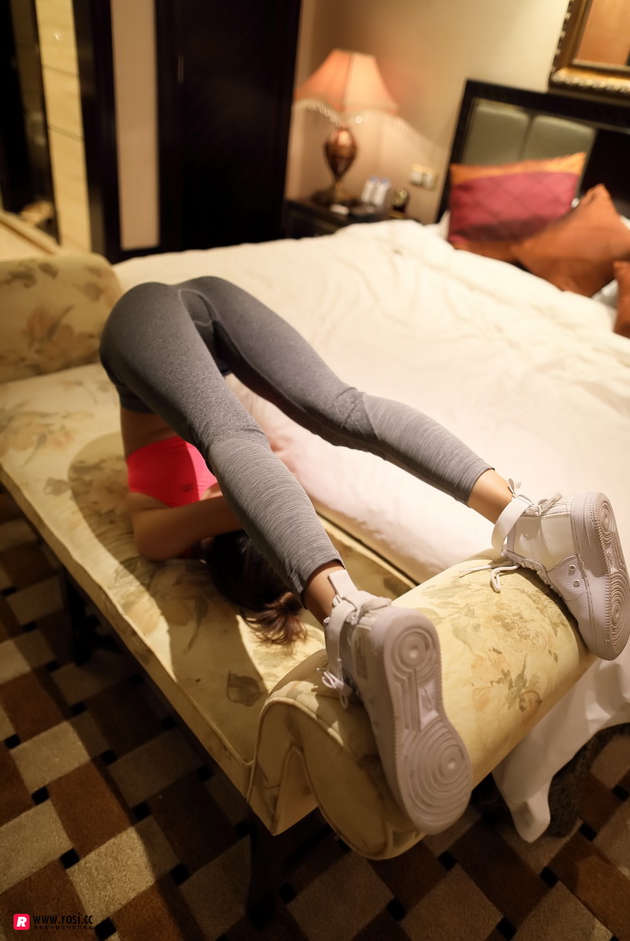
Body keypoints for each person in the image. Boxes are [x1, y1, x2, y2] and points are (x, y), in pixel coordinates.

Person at [100, 276, 630, 836]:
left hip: (139, 315)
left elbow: (152, 535)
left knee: (233, 435)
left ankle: (349, 618)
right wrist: (243, 507)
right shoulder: (232, 499)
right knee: (340, 406)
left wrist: (231, 510)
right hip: (207, 308)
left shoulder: (180, 512)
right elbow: (260, 483)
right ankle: (533, 520)